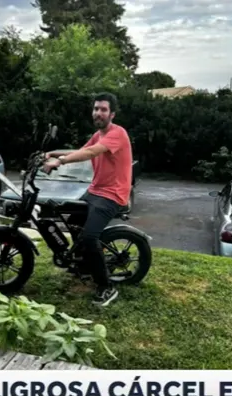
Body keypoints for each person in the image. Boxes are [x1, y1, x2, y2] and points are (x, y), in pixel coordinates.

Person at [42, 92, 133, 307]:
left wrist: (59, 162)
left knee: (90, 237)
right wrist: (53, 153)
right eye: (96, 109)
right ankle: (83, 264)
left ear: (112, 114)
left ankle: (106, 287)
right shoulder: (98, 134)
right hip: (95, 190)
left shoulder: (117, 133)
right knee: (73, 221)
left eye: (103, 109)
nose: (98, 113)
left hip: (112, 194)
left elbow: (91, 153)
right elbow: (82, 150)